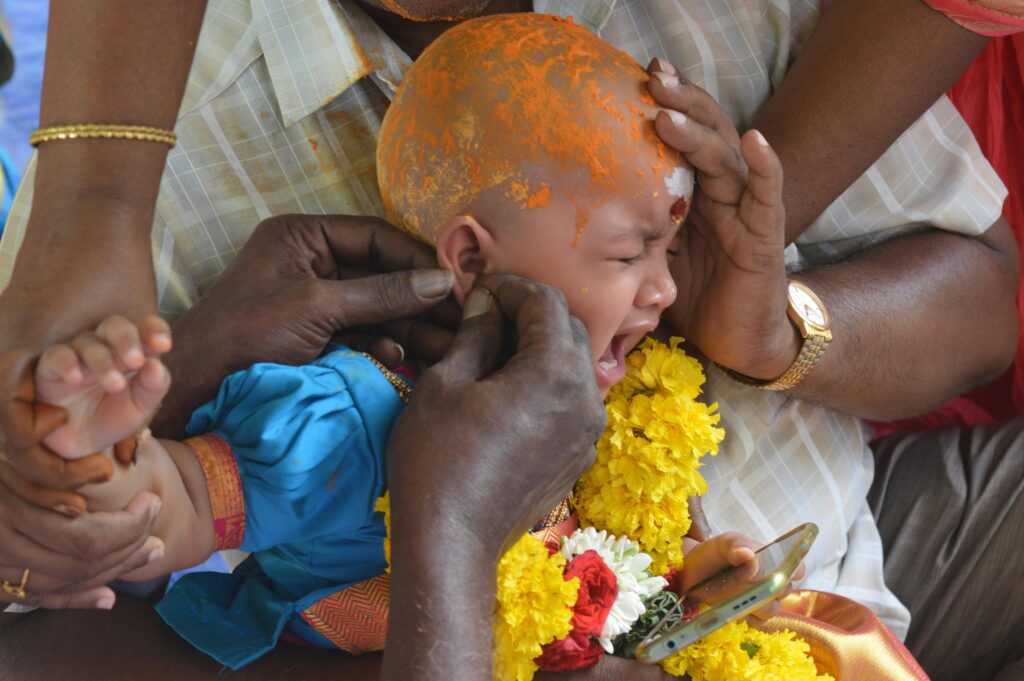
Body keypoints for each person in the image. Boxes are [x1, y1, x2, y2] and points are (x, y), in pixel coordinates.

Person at [0, 1, 1020, 680]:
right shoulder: (154, 142)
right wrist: (180, 380)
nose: (661, 288)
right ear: (470, 259)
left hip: (851, 591)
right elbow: (77, 577)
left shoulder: (702, 26)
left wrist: (770, 326)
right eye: (634, 254)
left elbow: (986, 299)